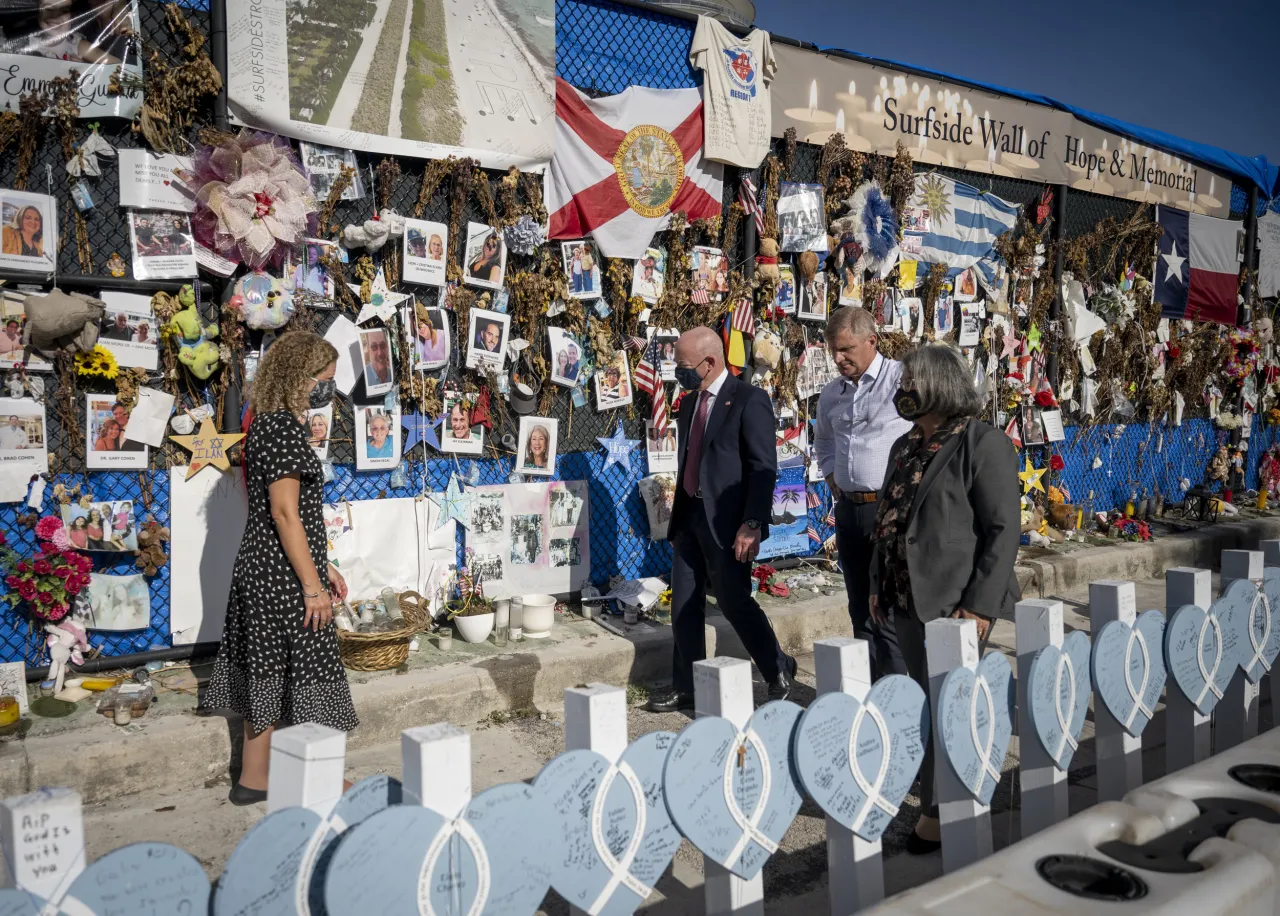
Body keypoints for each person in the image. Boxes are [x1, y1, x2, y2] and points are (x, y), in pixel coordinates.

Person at [869, 342, 1020, 854]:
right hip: (905, 597)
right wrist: (876, 583)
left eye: (912, 381)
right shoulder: (905, 445)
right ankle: (944, 796)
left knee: (946, 705)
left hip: (956, 602)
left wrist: (979, 606)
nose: (903, 389)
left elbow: (1003, 532)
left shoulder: (983, 443)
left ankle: (938, 814)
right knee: (928, 700)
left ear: (940, 384)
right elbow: (889, 519)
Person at [200, 330, 354, 807]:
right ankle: (320, 778)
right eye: (320, 381)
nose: (324, 390)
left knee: (267, 669)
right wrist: (312, 587)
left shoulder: (265, 423)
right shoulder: (284, 429)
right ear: (295, 377)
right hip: (282, 576)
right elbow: (286, 512)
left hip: (263, 568)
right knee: (314, 670)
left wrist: (322, 567)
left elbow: (279, 516)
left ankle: (255, 777)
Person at [646, 326, 795, 713]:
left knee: (733, 601)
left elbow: (763, 467)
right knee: (684, 605)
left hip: (729, 524)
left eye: (684, 366)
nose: (679, 373)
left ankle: (777, 667)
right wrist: (678, 521)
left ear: (709, 363)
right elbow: (690, 462)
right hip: (690, 517)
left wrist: (753, 523)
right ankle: (688, 686)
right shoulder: (690, 403)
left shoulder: (748, 400)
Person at [814, 307, 913, 681]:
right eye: (833, 351)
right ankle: (871, 688)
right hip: (849, 512)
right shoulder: (831, 394)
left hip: (889, 511)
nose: (838, 359)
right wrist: (830, 473)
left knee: (887, 606)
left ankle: (899, 693)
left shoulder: (900, 380)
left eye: (846, 350)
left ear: (871, 341)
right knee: (859, 605)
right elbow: (823, 439)